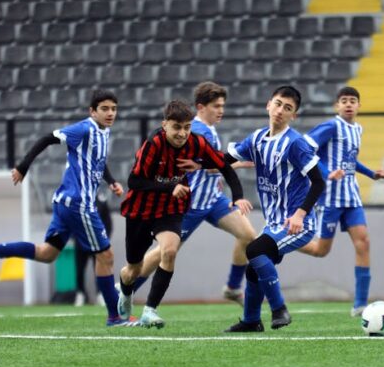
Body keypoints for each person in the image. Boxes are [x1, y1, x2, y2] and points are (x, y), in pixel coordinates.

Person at [0, 90, 127, 325]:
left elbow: (97, 161)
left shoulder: (104, 133)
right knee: (105, 255)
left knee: (47, 253)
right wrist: (23, 166)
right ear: (92, 111)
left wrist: (111, 181)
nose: (110, 113)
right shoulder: (84, 129)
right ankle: (114, 316)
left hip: (64, 202)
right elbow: (48, 138)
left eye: (113, 109)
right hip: (78, 204)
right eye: (105, 109)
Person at [119, 82, 257, 308]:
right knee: (164, 253)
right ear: (201, 107)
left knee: (248, 235)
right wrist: (239, 163)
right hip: (191, 203)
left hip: (213, 199)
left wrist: (230, 180)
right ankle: (126, 287)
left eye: (222, 105)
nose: (221, 110)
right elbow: (208, 166)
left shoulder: (206, 129)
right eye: (216, 106)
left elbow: (215, 165)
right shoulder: (195, 130)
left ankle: (232, 288)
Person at [223, 85, 326, 332]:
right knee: (254, 269)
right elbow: (222, 161)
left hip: (299, 224)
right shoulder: (257, 139)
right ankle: (250, 321)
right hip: (274, 224)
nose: (281, 111)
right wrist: (194, 163)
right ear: (268, 104)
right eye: (278, 104)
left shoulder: (295, 144)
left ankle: (279, 308)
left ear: (294, 116)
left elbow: (319, 181)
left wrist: (301, 214)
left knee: (255, 249)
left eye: (288, 108)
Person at [298, 86, 384, 317]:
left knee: (363, 243)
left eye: (353, 101)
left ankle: (360, 304)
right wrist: (326, 172)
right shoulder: (331, 126)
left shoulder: (357, 129)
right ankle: (283, 240)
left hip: (351, 196)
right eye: (344, 100)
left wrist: (371, 174)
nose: (348, 104)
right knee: (320, 250)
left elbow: (351, 160)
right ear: (337, 106)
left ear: (359, 106)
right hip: (330, 198)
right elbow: (306, 148)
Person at [74, 195, 112, 307]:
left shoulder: (101, 201)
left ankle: (100, 294)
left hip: (97, 243)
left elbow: (108, 223)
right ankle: (80, 294)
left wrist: (104, 240)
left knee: (99, 269)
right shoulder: (77, 201)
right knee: (79, 270)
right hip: (81, 243)